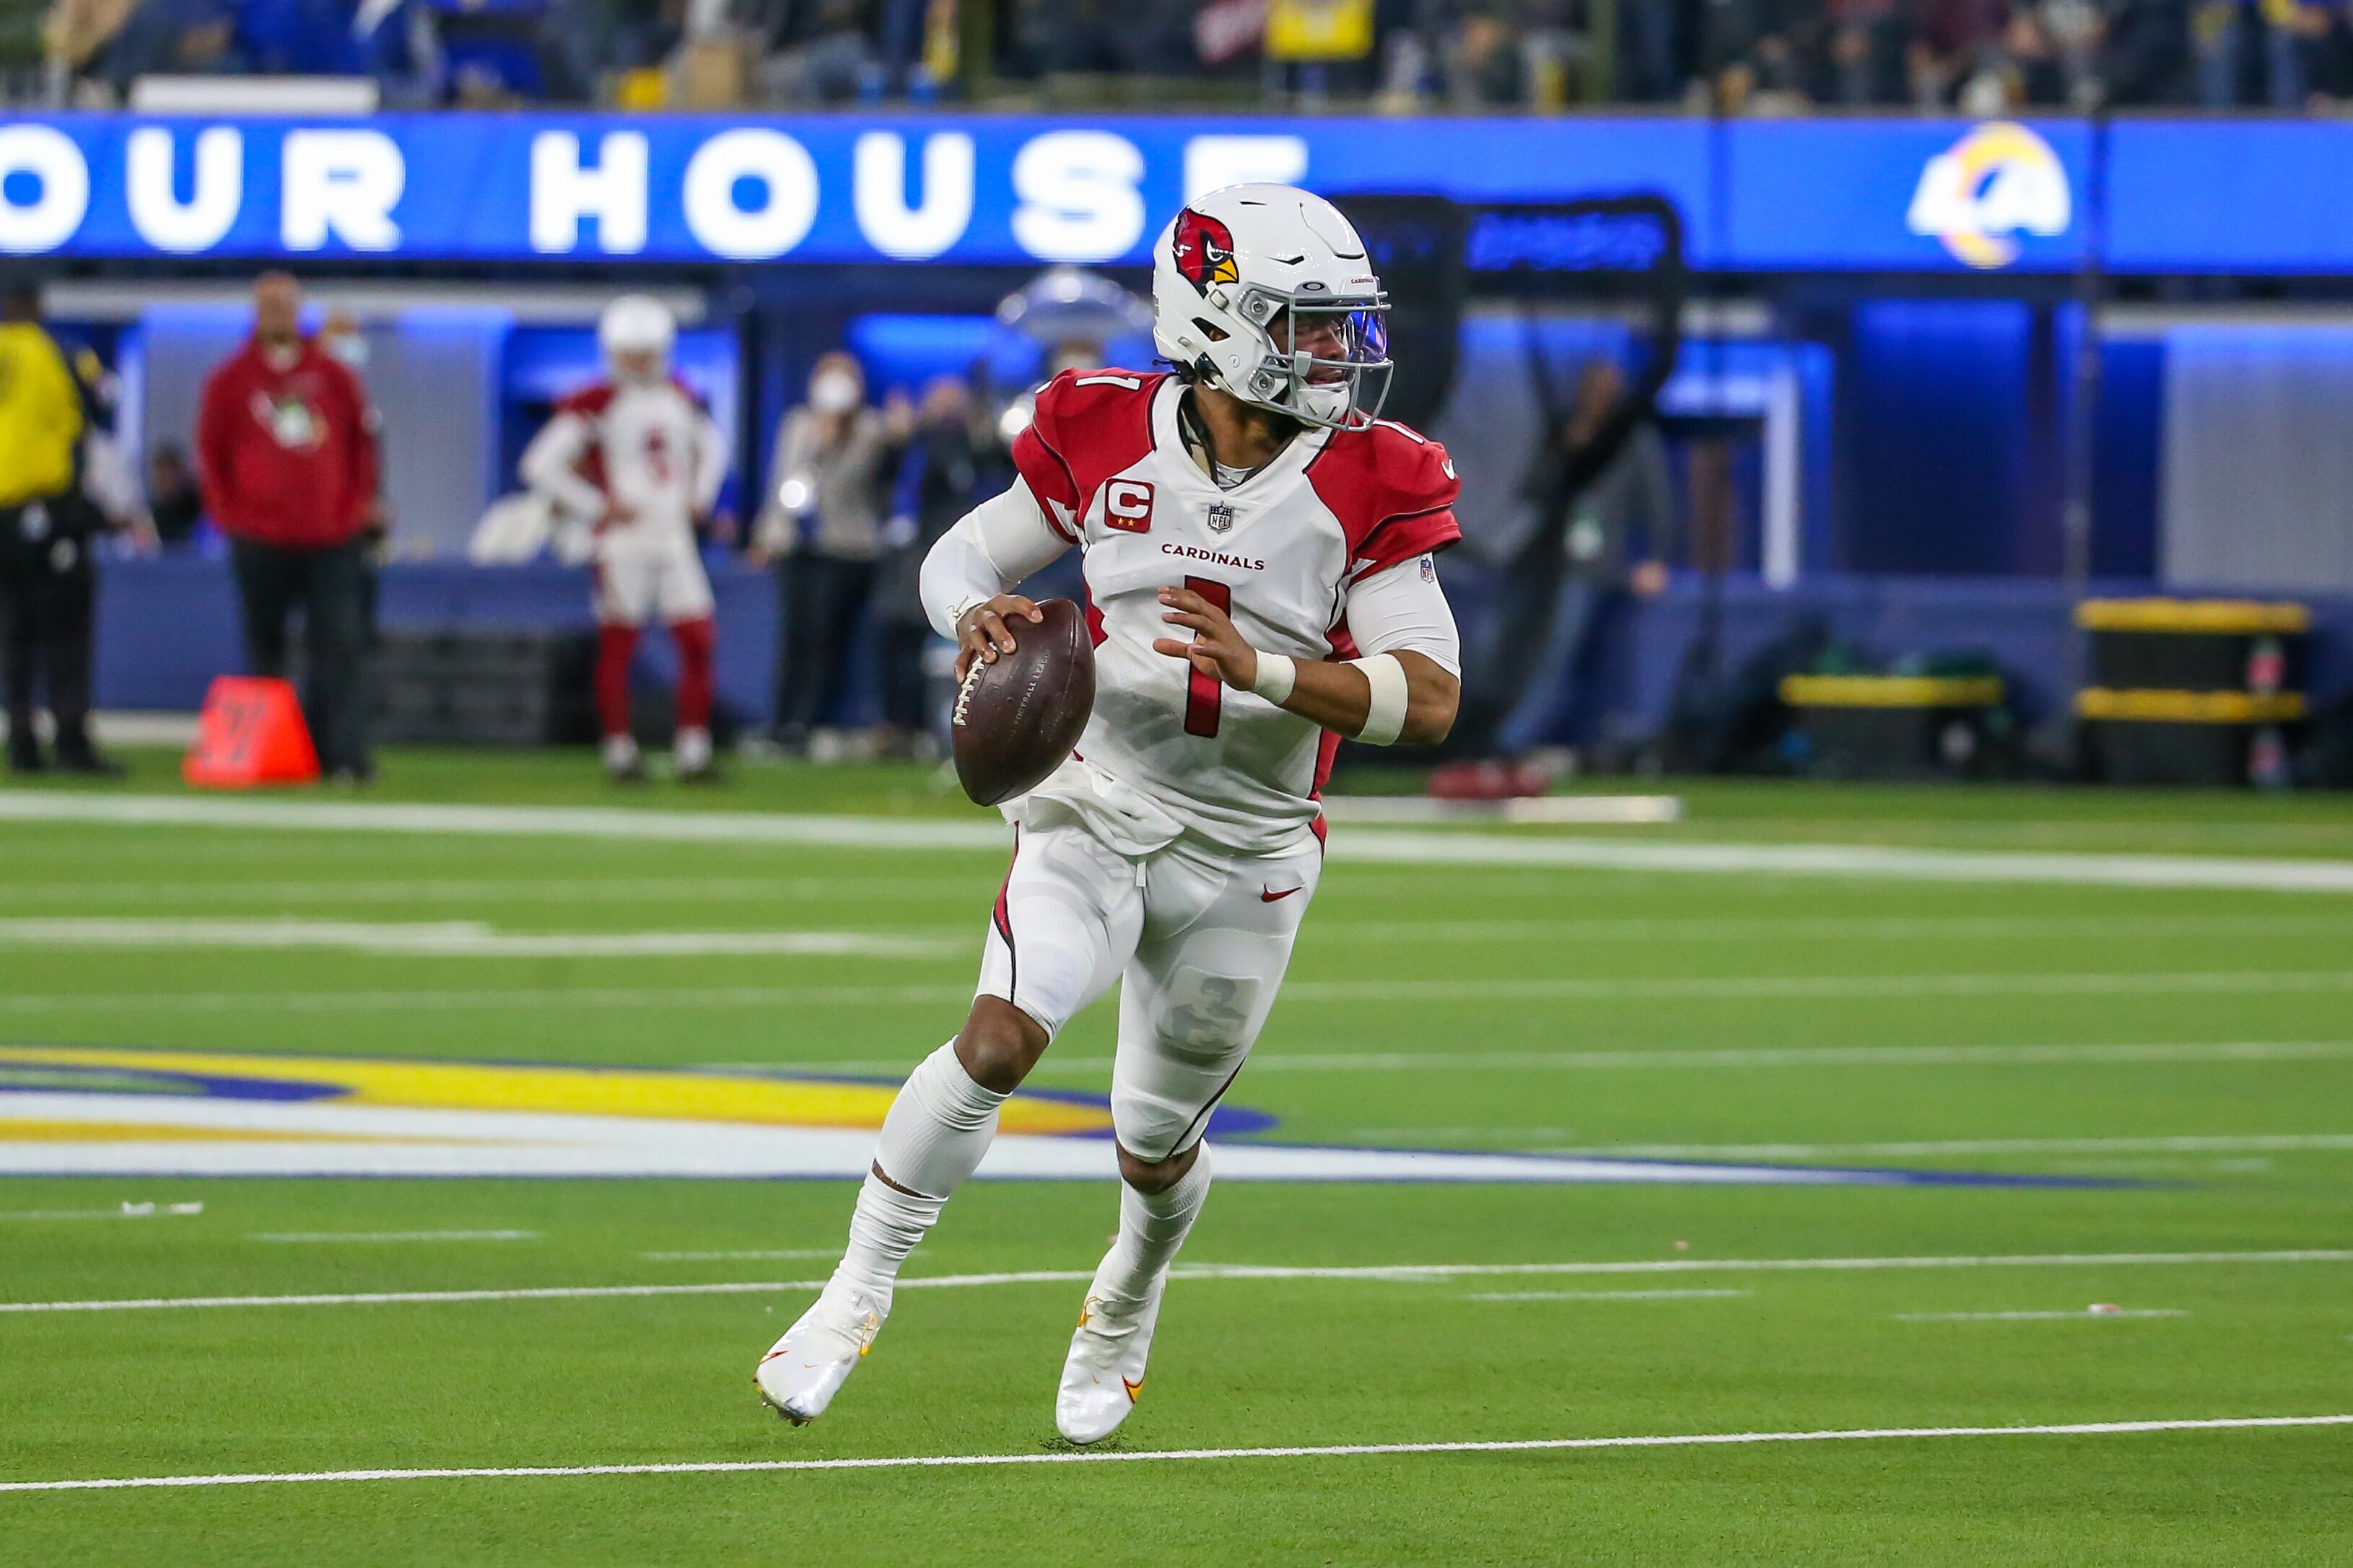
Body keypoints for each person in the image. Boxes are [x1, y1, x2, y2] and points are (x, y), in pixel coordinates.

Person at [755, 185, 1464, 1442]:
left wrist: (1268, 672)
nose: (1336, 355)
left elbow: (1431, 700)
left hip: (1247, 847)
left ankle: (1127, 1294)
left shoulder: (1372, 474)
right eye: (1305, 325)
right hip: (1094, 801)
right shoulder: (1101, 424)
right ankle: (853, 1291)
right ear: (1216, 319)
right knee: (997, 1041)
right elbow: (962, 559)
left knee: (1152, 1140)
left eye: (1342, 326)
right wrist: (966, 614)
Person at [520, 295, 727, 783]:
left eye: (646, 352)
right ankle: (619, 750)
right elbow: (539, 464)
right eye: (631, 353)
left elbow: (711, 447)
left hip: (672, 535)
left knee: (697, 639)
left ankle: (693, 750)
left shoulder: (677, 394)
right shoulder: (596, 401)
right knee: (619, 644)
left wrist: (700, 494)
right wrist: (596, 505)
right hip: (624, 540)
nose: (639, 362)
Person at [198, 272, 382, 784]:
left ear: (299, 310)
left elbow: (360, 446)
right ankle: (268, 752)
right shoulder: (231, 379)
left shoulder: (335, 375)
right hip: (260, 536)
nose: (277, 313)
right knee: (264, 646)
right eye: (268, 304)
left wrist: (353, 508)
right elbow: (211, 453)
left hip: (330, 535)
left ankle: (342, 754)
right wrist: (230, 515)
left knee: (339, 644)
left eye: (285, 304)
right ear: (255, 311)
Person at [1488, 359, 1678, 763]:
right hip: (1552, 567)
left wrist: (1656, 558)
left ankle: (1537, 739)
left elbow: (1656, 501)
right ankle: (1512, 737)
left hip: (1603, 568)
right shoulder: (1563, 430)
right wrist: (1566, 453)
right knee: (1541, 650)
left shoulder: (1628, 438)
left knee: (1588, 658)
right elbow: (1532, 490)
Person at [0, 280, 122, 776]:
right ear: (36, 307)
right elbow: (102, 410)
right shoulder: (61, 354)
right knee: (66, 632)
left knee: (12, 633)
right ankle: (70, 740)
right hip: (49, 512)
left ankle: (21, 740)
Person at [748, 353, 896, 756]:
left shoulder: (869, 429)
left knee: (825, 639)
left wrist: (837, 437)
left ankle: (809, 723)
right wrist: (766, 534)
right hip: (800, 545)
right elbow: (784, 481)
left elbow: (854, 484)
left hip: (846, 548)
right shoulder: (799, 424)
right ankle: (782, 723)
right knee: (795, 636)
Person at [872, 375, 1009, 755]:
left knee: (947, 639)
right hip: (910, 554)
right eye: (940, 401)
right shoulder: (913, 444)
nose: (947, 410)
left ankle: (944, 726)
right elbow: (886, 486)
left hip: (962, 550)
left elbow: (1001, 472)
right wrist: (895, 439)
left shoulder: (973, 445)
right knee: (898, 637)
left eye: (955, 402)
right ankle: (897, 725)